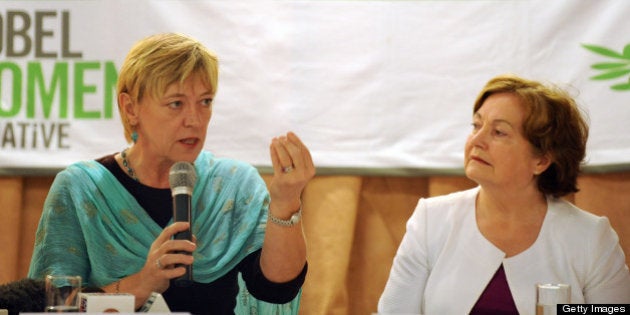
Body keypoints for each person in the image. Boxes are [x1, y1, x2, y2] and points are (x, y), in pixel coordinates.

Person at [28, 33, 315, 315]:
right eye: (176, 103)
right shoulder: (82, 189)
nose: (195, 120)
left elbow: (277, 289)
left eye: (205, 102)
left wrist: (286, 202)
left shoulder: (235, 185)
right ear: (131, 109)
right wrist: (141, 284)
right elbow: (55, 306)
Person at [378, 74, 630, 314]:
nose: (477, 140)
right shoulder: (431, 220)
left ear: (541, 160)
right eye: (476, 125)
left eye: (499, 132)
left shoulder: (590, 238)